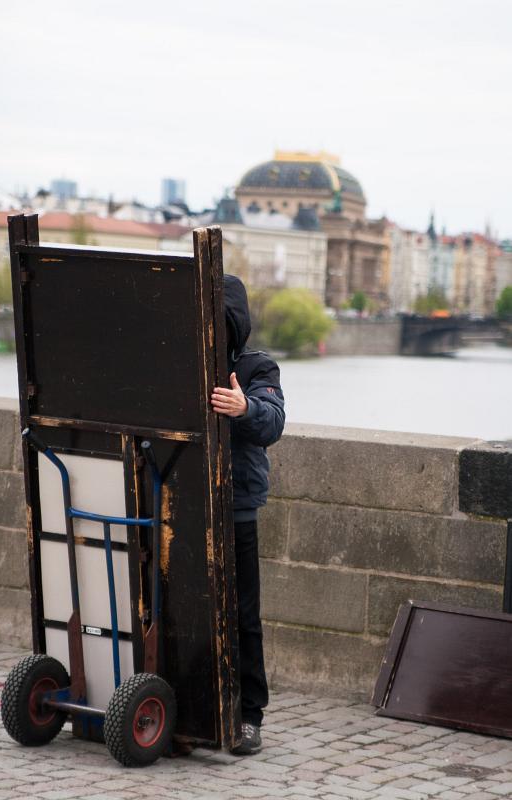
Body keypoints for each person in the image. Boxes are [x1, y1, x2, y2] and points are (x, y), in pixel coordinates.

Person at [211, 274, 285, 756]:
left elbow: (273, 420)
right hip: (183, 499)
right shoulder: (183, 359)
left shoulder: (258, 366)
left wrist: (244, 407)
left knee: (243, 615)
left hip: (235, 506)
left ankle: (248, 713)